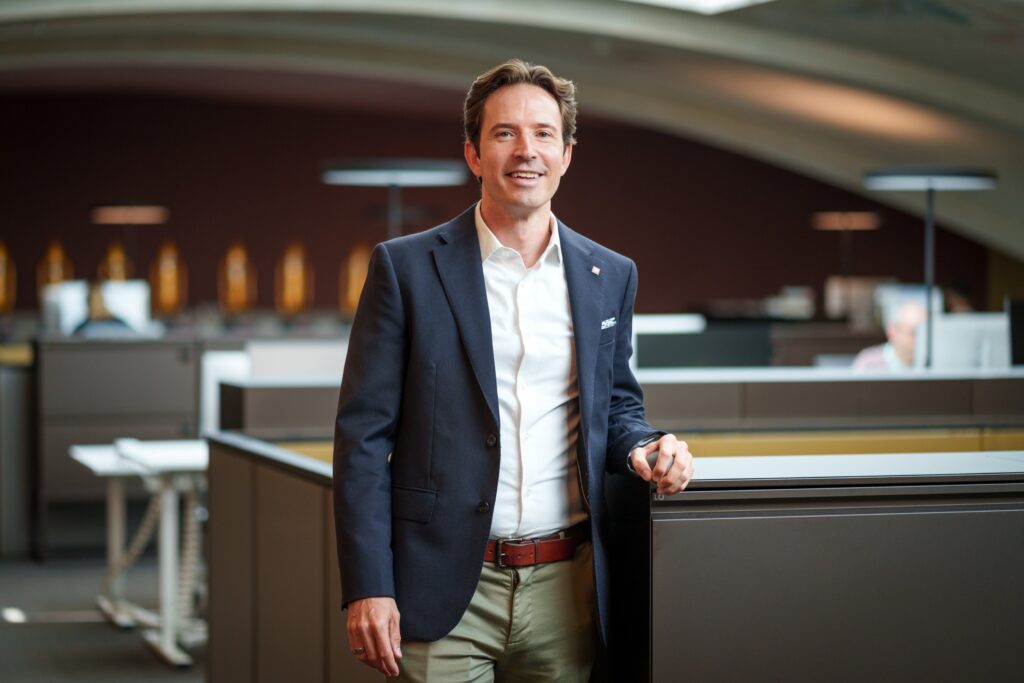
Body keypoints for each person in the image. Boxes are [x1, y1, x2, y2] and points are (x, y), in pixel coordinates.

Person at [333, 59, 694, 681]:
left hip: (567, 588)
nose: (525, 150)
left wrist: (648, 445)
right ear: (474, 154)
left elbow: (616, 408)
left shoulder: (610, 275)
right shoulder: (407, 268)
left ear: (567, 153)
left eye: (543, 134)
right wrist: (369, 584)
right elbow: (363, 439)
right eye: (504, 133)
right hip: (441, 587)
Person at [852, 300, 927, 371]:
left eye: (925, 334)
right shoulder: (868, 365)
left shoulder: (932, 362)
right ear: (892, 333)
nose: (920, 340)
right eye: (912, 334)